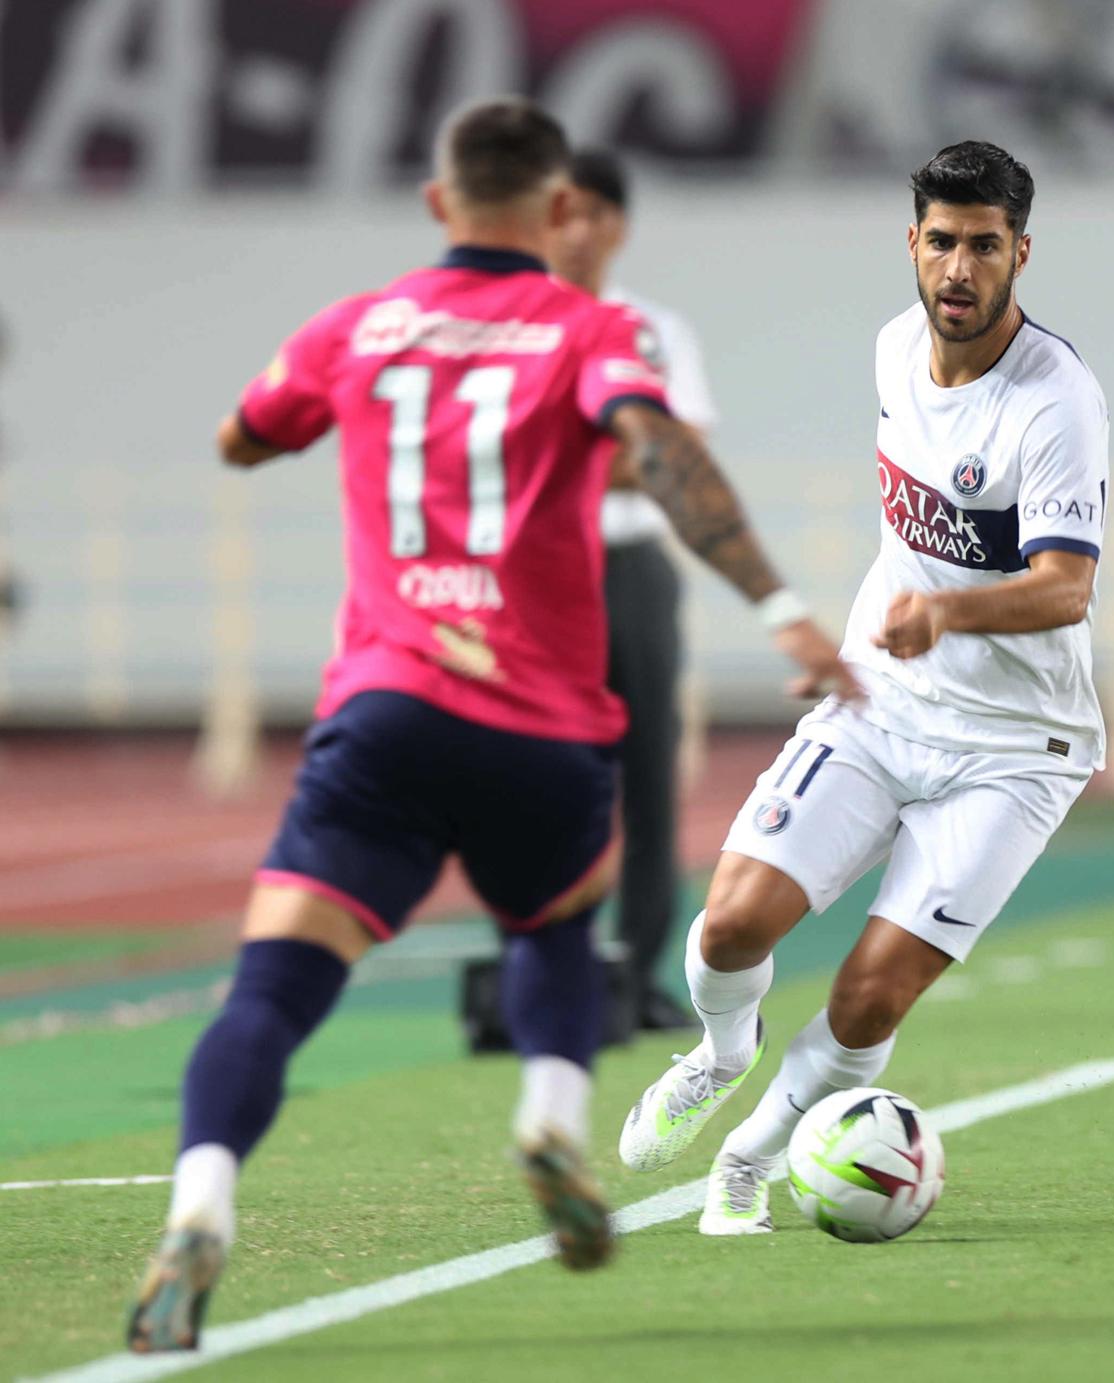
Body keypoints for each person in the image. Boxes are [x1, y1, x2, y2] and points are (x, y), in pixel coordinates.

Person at [125, 97, 855, 1352]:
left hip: (386, 708)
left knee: (273, 986)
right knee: (557, 926)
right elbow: (661, 447)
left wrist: (303, 417)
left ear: (436, 203)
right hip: (537, 723)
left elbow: (244, 435)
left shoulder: (356, 326)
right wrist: (782, 609)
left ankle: (201, 1208)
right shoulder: (590, 329)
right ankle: (552, 1122)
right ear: (561, 209)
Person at [615, 141, 1109, 1236]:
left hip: (1016, 747)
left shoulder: (1056, 402)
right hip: (883, 700)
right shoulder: (893, 351)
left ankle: (750, 1155)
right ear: (913, 244)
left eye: (985, 245)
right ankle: (720, 1054)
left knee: (868, 995)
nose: (960, 269)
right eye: (942, 242)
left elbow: (1066, 588)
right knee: (732, 924)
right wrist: (905, 626)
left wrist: (947, 611)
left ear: (1021, 253)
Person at [549, 146, 719, 1031]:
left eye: (591, 213)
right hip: (536, 574)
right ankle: (554, 973)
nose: (575, 231)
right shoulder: (512, 322)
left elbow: (673, 455)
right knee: (543, 778)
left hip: (630, 567)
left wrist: (569, 458)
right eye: (559, 211)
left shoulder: (653, 329)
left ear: (615, 225)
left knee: (648, 773)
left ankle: (639, 971)